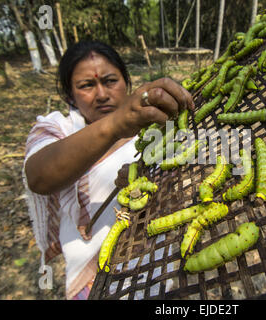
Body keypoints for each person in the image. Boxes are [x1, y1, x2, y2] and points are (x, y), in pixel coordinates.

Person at [22, 40, 194, 300]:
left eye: (110, 81)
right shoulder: (58, 128)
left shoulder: (155, 127)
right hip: (95, 280)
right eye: (87, 85)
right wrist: (116, 124)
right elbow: (38, 176)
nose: (101, 94)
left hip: (156, 264)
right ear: (70, 95)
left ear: (126, 84)